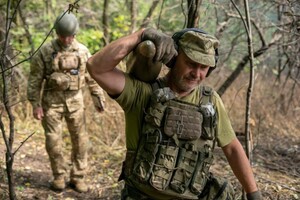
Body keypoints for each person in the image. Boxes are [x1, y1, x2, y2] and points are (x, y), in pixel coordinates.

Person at [86, 28, 262, 199]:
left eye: (204, 67)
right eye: (191, 63)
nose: (197, 73)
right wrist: (141, 34)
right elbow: (96, 67)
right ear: (173, 59)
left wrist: (254, 195)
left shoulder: (210, 101)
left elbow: (231, 148)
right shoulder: (142, 93)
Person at [27, 12, 105, 193]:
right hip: (51, 104)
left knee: (81, 141)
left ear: (75, 34)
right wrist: (35, 104)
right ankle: (59, 176)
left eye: (70, 36)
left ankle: (78, 177)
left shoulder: (83, 52)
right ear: (57, 34)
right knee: (53, 141)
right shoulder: (45, 52)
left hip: (76, 103)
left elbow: (92, 77)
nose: (67, 39)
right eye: (63, 36)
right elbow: (35, 79)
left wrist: (98, 98)